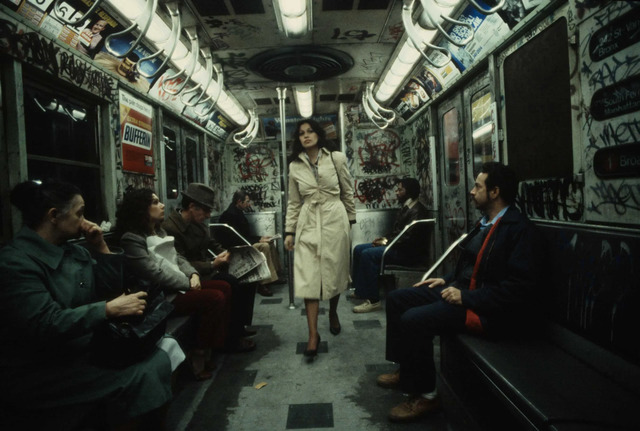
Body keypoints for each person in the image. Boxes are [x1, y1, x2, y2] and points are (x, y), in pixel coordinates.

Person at [377, 162, 542, 423]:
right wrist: (443, 280)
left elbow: (518, 290)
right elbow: (467, 265)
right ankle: (407, 371)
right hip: (463, 292)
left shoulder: (518, 229)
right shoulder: (485, 223)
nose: (472, 191)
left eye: (478, 186)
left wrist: (466, 297)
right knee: (399, 300)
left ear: (495, 192)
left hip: (485, 309)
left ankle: (427, 396)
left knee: (414, 320)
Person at [0, 180, 173, 430]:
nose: (85, 221)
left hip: (81, 349)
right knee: (141, 374)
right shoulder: (16, 263)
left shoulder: (75, 252)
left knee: (158, 357)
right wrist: (106, 310)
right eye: (79, 213)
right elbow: (43, 323)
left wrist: (100, 247)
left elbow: (110, 290)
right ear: (53, 216)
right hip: (38, 369)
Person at [116, 188, 254, 375]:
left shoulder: (160, 230)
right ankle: (199, 352)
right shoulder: (132, 239)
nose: (162, 205)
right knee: (215, 297)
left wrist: (192, 274)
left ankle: (216, 344)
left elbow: (178, 257)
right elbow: (155, 273)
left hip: (180, 283)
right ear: (142, 209)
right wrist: (188, 282)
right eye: (155, 202)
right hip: (161, 294)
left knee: (225, 286)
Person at [284, 119, 356, 358]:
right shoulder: (294, 166)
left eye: (310, 131)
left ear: (318, 134)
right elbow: (294, 202)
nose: (306, 136)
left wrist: (351, 222)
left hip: (335, 219)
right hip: (308, 221)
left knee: (334, 272)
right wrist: (289, 231)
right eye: (301, 133)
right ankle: (313, 334)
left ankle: (333, 312)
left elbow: (347, 191)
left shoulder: (336, 158)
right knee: (309, 277)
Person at [162, 183, 258, 339]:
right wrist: (212, 264)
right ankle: (231, 336)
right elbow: (179, 262)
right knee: (230, 283)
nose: (208, 216)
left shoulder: (198, 224)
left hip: (206, 269)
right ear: (192, 207)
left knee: (248, 279)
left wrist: (227, 253)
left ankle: (239, 327)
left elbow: (211, 243)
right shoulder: (171, 229)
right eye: (206, 211)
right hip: (190, 277)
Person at [350, 178, 429, 313]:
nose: (396, 193)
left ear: (409, 192)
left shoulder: (417, 211)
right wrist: (383, 239)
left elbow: (407, 238)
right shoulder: (407, 207)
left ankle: (373, 301)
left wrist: (386, 242)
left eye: (400, 190)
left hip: (406, 253)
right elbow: (397, 232)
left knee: (368, 255)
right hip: (398, 246)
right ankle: (361, 290)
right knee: (358, 249)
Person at [218, 190, 282, 297]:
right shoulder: (229, 216)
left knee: (269, 243)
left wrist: (260, 238)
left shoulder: (238, 212)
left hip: (244, 242)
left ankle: (274, 274)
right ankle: (263, 283)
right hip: (237, 246)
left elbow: (244, 235)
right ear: (239, 201)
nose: (249, 204)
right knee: (264, 246)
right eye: (247, 202)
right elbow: (235, 239)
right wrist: (258, 241)